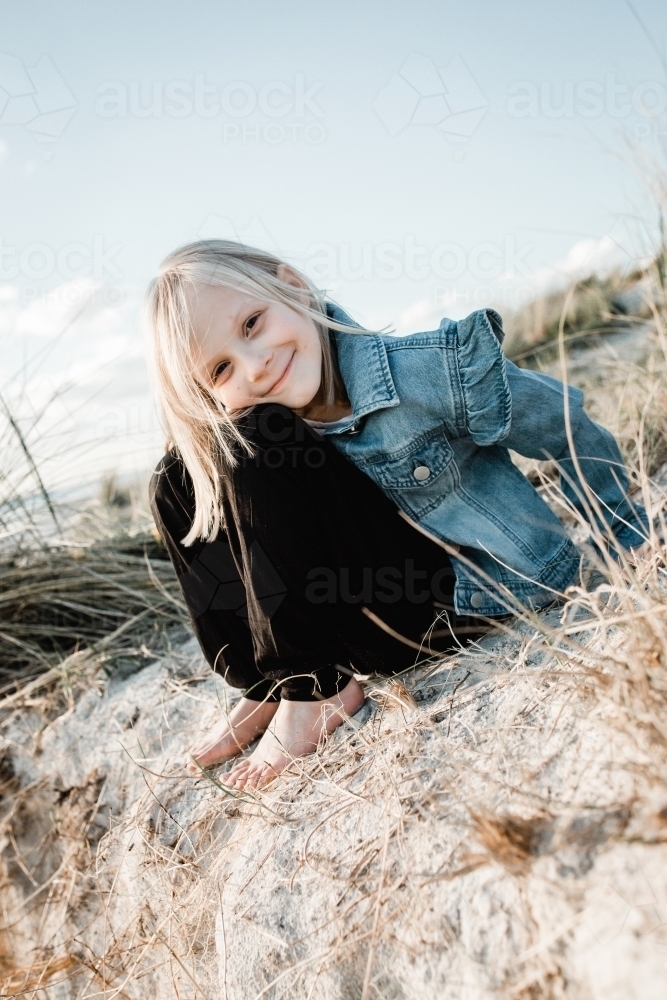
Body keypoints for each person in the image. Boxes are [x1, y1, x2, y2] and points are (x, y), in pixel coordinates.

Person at [146, 240, 648, 790]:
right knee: (176, 475)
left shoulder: (421, 371)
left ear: (291, 284)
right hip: (378, 605)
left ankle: (314, 688)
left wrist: (624, 534)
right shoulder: (280, 423)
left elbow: (560, 422)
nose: (257, 364)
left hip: (474, 591)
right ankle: (270, 685)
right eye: (221, 369)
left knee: (254, 437)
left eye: (252, 324)